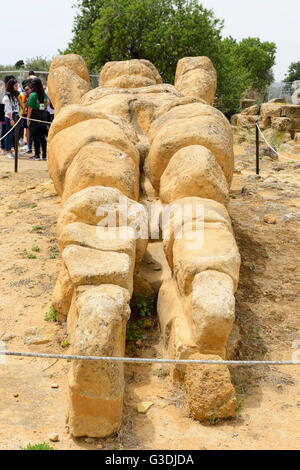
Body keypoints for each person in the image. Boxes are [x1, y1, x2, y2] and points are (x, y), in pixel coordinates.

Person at [27, 78, 49, 161]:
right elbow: (47, 103)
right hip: (43, 115)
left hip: (35, 116)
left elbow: (30, 107)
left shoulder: (33, 95)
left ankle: (37, 155)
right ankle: (44, 155)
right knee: (42, 137)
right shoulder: (43, 93)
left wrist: (28, 118)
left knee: (36, 137)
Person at [2, 79, 20, 158]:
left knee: (14, 134)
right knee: (9, 134)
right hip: (10, 117)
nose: (17, 87)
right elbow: (8, 108)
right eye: (16, 86)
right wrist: (11, 119)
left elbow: (16, 106)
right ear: (11, 86)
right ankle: (7, 151)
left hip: (16, 115)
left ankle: (12, 150)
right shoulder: (7, 96)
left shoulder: (15, 95)